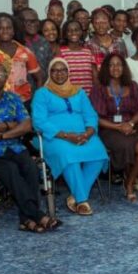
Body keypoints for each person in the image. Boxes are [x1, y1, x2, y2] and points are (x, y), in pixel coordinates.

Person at [0, 63, 61, 233]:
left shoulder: (14, 99)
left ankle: (26, 220)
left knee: (31, 167)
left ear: (6, 78)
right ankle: (37, 215)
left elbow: (26, 125)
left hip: (13, 146)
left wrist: (2, 135)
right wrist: (8, 124)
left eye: (0, 74)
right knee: (10, 169)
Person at [32, 58, 108, 215]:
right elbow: (39, 121)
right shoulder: (42, 93)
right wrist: (66, 136)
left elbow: (91, 115)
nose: (59, 73)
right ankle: (82, 200)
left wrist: (88, 133)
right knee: (69, 156)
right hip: (54, 138)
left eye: (63, 70)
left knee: (99, 153)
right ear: (50, 73)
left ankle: (75, 196)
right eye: (55, 70)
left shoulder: (79, 92)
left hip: (83, 135)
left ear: (68, 72)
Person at [90, 54, 138, 202]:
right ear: (106, 68)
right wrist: (118, 127)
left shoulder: (132, 85)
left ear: (124, 68)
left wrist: (130, 124)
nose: (115, 68)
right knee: (129, 145)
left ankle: (129, 180)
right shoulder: (99, 88)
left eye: (119, 64)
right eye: (111, 65)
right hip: (109, 129)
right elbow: (96, 118)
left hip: (130, 126)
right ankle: (130, 184)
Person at [0, 13, 42, 105]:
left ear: (13, 31)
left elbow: (39, 78)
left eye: (8, 28)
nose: (5, 31)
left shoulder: (25, 51)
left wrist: (37, 100)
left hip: (23, 101)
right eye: (0, 28)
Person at [59, 20, 97, 95]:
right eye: (69, 31)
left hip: (87, 96)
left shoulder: (88, 52)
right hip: (68, 96)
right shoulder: (61, 52)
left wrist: (96, 94)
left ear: (81, 32)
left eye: (76, 30)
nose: (73, 33)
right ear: (65, 34)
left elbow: (95, 76)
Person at [19, 8, 53, 89]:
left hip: (43, 90)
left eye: (35, 21)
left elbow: (50, 69)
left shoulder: (45, 42)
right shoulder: (17, 43)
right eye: (28, 21)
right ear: (20, 23)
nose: (33, 24)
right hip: (20, 92)